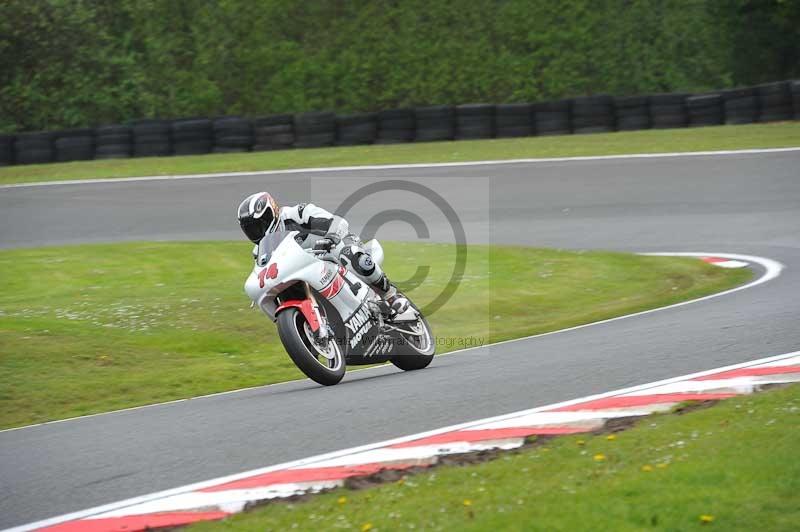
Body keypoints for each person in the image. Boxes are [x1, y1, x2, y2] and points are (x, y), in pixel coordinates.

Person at [237, 191, 409, 314]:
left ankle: (391, 295)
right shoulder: (260, 251)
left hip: (332, 247)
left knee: (349, 253)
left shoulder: (296, 214)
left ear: (272, 212)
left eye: (260, 224)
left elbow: (337, 222)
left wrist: (332, 237)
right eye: (250, 229)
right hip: (305, 270)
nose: (257, 232)